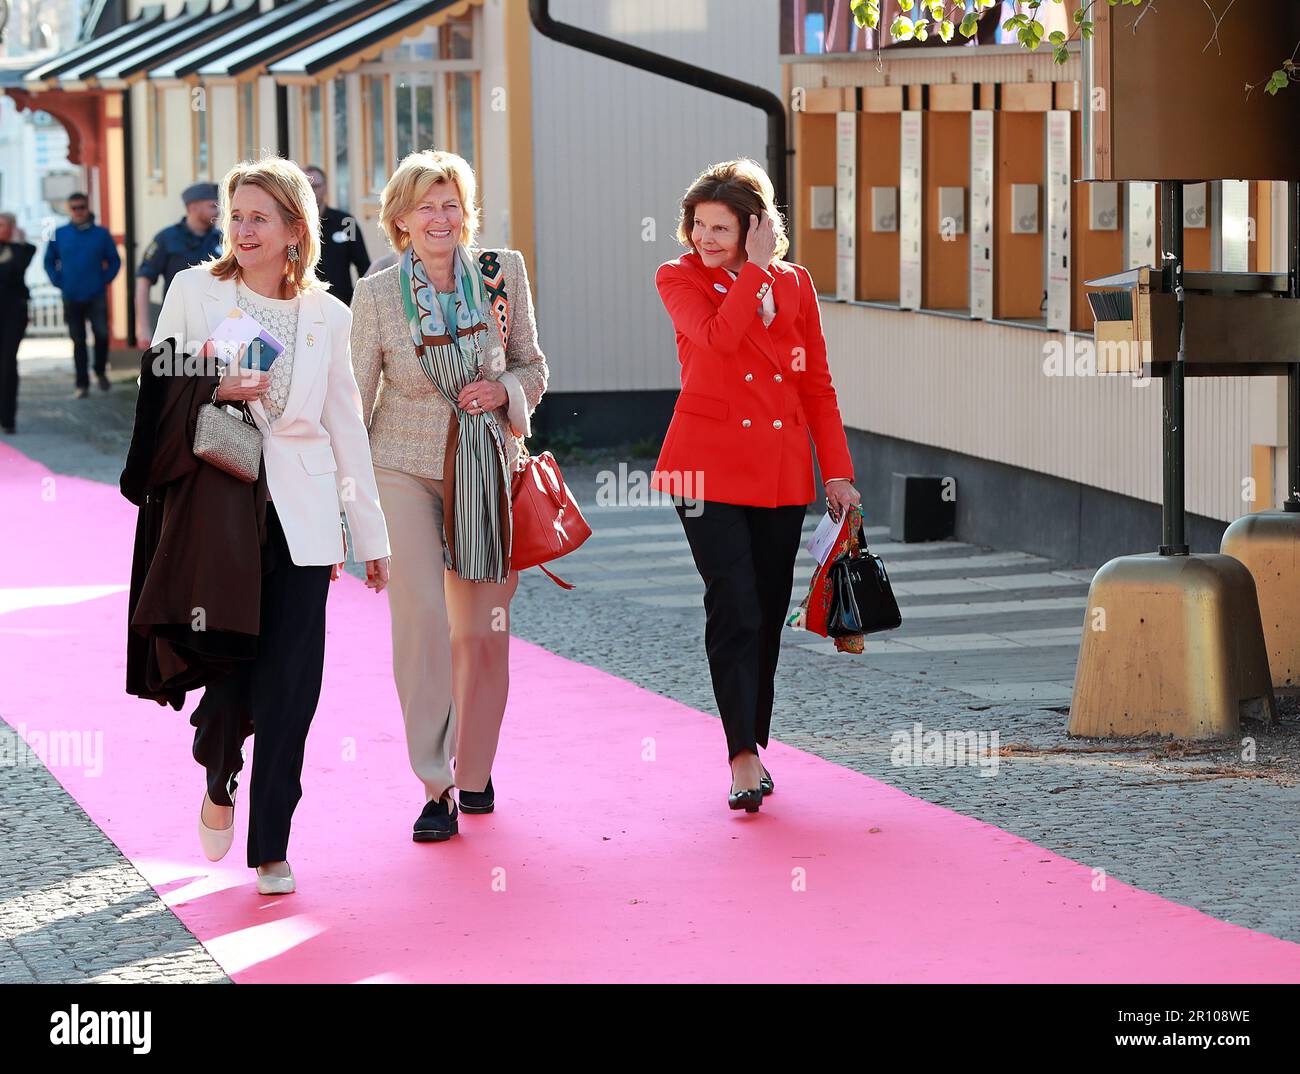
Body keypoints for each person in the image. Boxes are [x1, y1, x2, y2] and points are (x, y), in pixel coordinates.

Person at [148, 156, 391, 894]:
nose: (244, 228)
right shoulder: (195, 291)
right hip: (222, 510)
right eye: (237, 215)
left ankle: (272, 846)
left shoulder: (330, 314)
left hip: (306, 520)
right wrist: (214, 384)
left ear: (295, 230)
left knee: (293, 684)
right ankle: (219, 763)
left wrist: (370, 536)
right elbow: (157, 384)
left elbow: (347, 427)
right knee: (232, 663)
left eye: (260, 217)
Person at [650, 158, 862, 814]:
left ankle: (754, 745)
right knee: (733, 602)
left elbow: (815, 384)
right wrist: (754, 274)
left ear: (756, 228)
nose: (706, 238)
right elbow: (715, 340)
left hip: (777, 470)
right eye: (698, 225)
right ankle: (741, 757)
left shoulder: (795, 286)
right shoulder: (677, 278)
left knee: (767, 610)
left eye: (722, 227)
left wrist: (838, 472)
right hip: (704, 468)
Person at [351, 149, 548, 843]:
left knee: (480, 635)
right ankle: (436, 786)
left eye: (451, 203)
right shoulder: (375, 296)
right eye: (426, 205)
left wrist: (505, 392)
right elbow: (353, 401)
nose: (441, 217)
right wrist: (351, 512)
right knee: (424, 625)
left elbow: (532, 363)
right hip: (399, 468)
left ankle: (476, 772)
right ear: (400, 220)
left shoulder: (503, 275)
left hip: (487, 466)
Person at [44, 193, 120, 398]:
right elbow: (49, 261)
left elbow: (114, 260)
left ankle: (100, 371)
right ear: (69, 210)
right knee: (78, 340)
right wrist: (58, 281)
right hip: (71, 294)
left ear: (87, 208)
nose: (78, 211)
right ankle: (82, 384)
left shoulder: (101, 234)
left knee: (102, 334)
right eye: (74, 208)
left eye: (81, 207)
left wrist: (104, 279)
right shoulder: (59, 234)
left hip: (95, 293)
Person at [134, 182, 222, 347]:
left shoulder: (223, 239)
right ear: (194, 207)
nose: (218, 211)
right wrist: (143, 327)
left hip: (216, 324)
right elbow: (143, 281)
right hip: (178, 324)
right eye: (212, 206)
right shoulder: (166, 238)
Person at [303, 166, 370, 308]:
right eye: (306, 186)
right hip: (303, 304)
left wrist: (362, 304)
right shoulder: (292, 226)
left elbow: (364, 267)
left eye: (316, 186)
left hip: (342, 305)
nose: (311, 191)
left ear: (326, 188)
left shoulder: (347, 222)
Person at [0, 212, 37, 434]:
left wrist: (17, 242)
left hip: (13, 313)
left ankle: (8, 417)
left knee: (7, 363)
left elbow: (17, 269)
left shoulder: (23, 250)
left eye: (4, 225)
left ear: (13, 227)